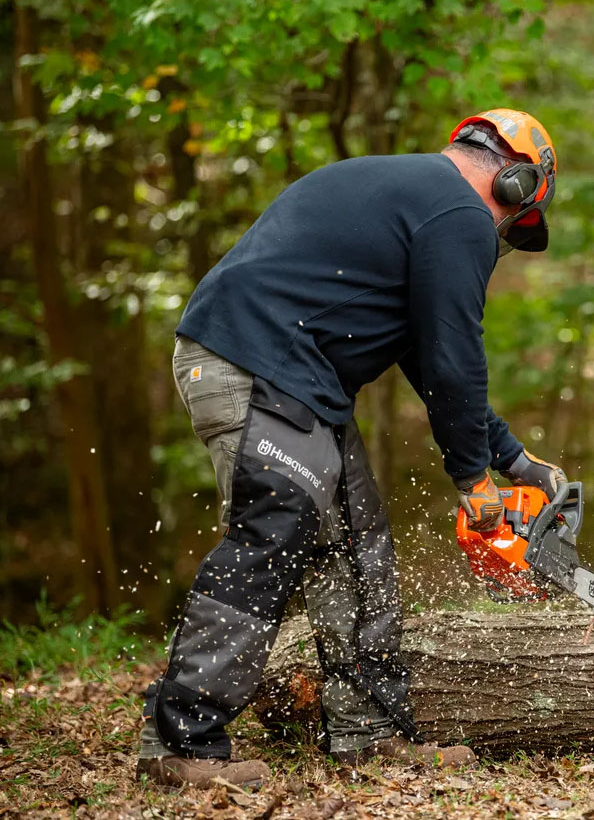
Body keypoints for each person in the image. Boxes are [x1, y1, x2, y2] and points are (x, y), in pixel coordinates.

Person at [136, 109, 567, 790]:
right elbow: (455, 359)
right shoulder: (457, 213)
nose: (504, 239)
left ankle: (369, 735)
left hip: (295, 379)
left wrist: (511, 459)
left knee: (356, 548)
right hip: (255, 364)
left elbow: (433, 362)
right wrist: (471, 482)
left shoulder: (408, 193)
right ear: (517, 184)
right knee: (273, 531)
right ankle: (178, 744)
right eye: (515, 224)